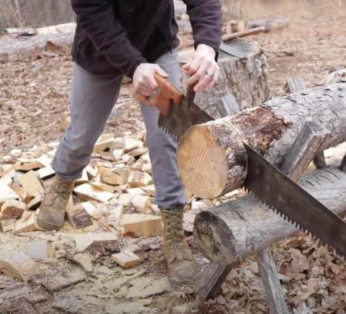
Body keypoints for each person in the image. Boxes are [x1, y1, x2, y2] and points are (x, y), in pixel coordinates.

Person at [37, 0, 222, 288]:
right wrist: (134, 66)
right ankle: (62, 181)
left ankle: (173, 229)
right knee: (82, 134)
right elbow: (91, 11)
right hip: (100, 48)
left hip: (156, 45)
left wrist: (207, 46)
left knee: (167, 140)